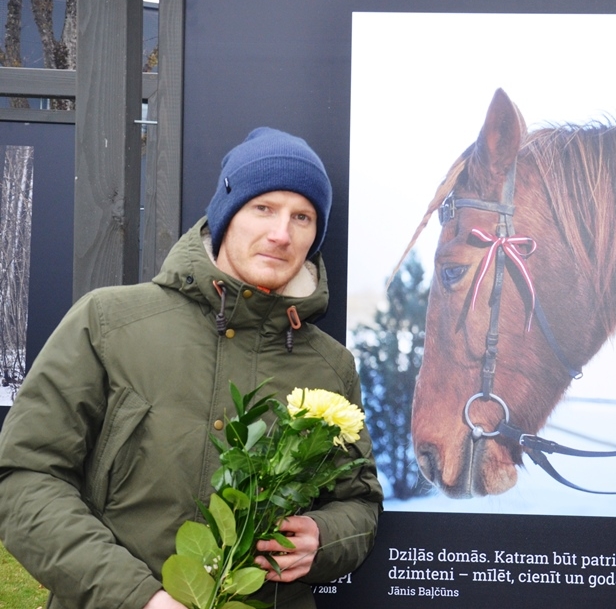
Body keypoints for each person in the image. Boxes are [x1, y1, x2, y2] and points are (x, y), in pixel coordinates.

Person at [0, 127, 383, 609]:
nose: (281, 233)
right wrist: (137, 597)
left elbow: (360, 504)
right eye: (262, 207)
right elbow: (24, 478)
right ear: (225, 215)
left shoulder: (332, 366)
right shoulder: (108, 322)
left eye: (302, 217)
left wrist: (322, 538)